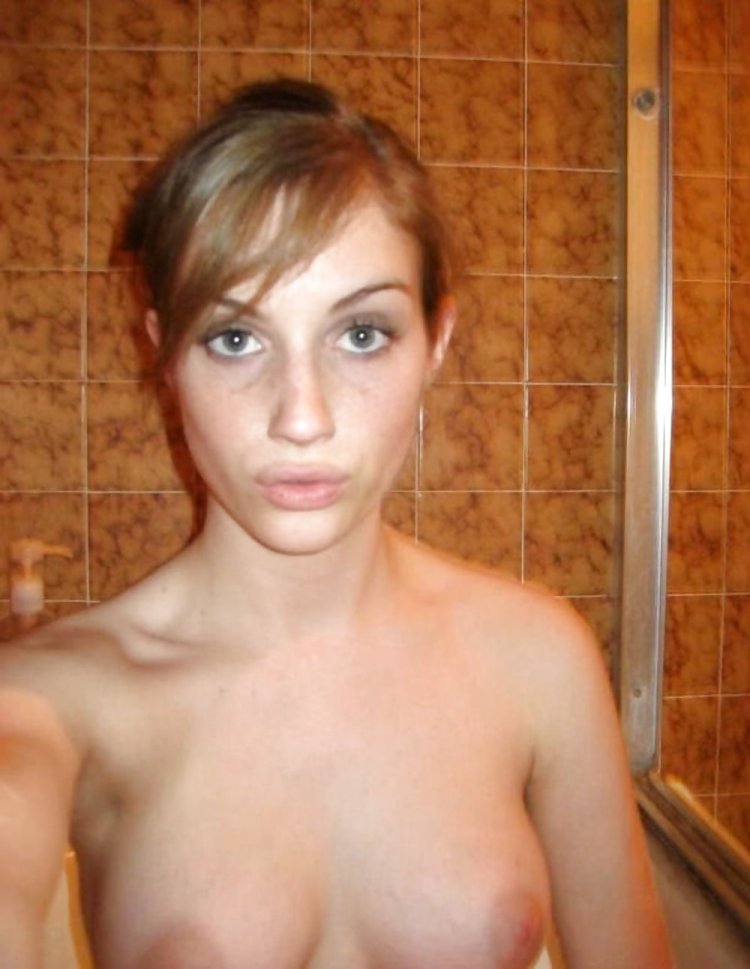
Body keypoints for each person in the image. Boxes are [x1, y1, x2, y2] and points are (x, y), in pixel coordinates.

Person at [0, 78, 671, 969]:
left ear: (435, 340)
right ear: (164, 352)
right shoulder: (52, 700)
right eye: (235, 338)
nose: (302, 417)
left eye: (360, 334)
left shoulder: (540, 661)